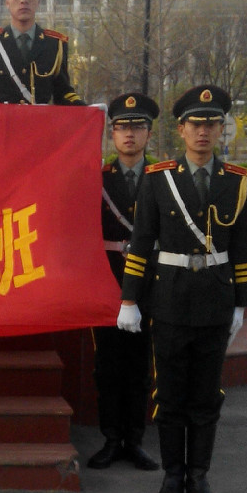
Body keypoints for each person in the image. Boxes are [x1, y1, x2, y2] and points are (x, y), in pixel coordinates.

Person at [118, 83, 247, 493]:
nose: (203, 132)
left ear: (222, 129)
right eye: (196, 123)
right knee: (170, 393)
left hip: (215, 300)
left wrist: (240, 303)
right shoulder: (159, 180)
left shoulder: (239, 183)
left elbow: (244, 248)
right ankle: (172, 476)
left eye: (212, 123)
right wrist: (129, 299)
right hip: (171, 300)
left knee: (206, 394)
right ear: (181, 129)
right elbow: (141, 243)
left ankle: (200, 475)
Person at [88, 92, 160, 471]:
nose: (129, 134)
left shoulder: (163, 178)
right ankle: (111, 438)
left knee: (140, 363)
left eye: (137, 127)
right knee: (108, 363)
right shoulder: (97, 179)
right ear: (111, 135)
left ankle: (135, 439)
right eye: (121, 127)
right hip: (109, 279)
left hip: (151, 281)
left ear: (149, 134)